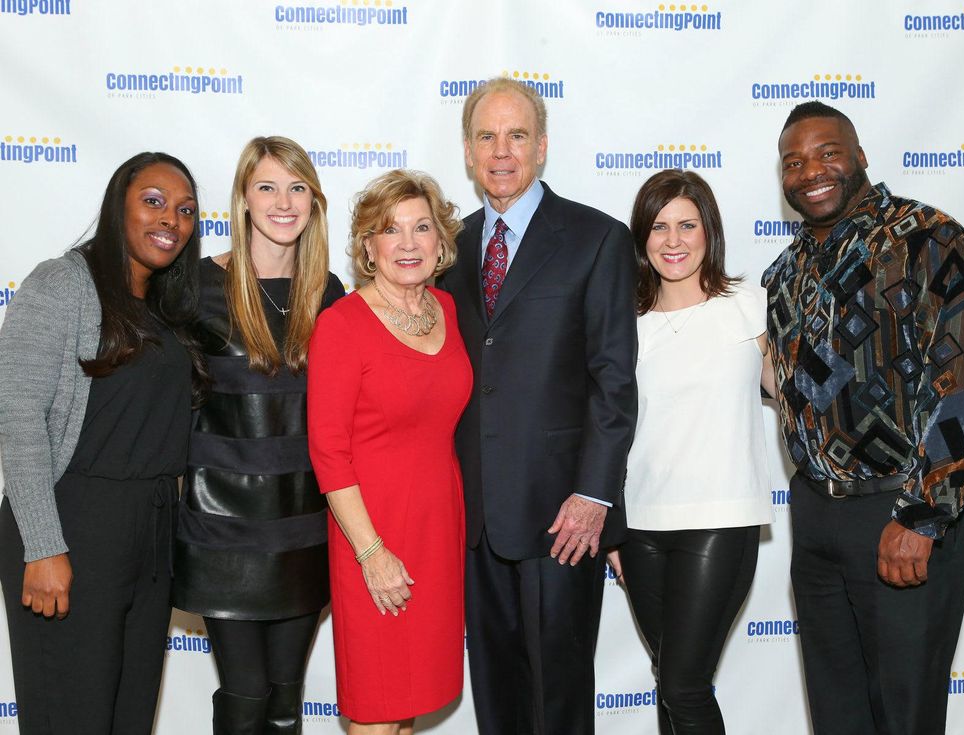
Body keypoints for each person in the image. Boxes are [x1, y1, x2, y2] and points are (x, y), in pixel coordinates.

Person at [763, 101, 964, 735]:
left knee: (904, 712)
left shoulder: (930, 240)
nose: (811, 171)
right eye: (794, 161)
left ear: (860, 156)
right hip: (816, 517)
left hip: (903, 511)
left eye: (828, 152)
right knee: (837, 713)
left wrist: (923, 514)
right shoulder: (784, 274)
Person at [438, 77, 637, 735]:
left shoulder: (597, 239)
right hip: (472, 519)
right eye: (486, 136)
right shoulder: (445, 249)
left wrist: (594, 495)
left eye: (516, 134)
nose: (502, 151)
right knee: (497, 699)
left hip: (563, 519)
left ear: (542, 145)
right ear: (467, 152)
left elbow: (614, 381)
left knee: (559, 700)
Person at [0, 152, 207, 734]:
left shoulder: (164, 308)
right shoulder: (62, 283)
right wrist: (42, 546)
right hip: (74, 524)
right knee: (73, 716)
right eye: (154, 201)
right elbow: (19, 416)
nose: (171, 218)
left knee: (128, 719)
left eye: (186, 209)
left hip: (151, 532)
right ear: (119, 205)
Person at [172, 136, 345, 734]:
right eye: (267, 186)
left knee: (285, 700)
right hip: (223, 526)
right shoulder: (194, 286)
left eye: (297, 188)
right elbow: (161, 401)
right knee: (244, 695)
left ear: (314, 202)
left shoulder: (329, 292)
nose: (283, 202)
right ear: (244, 198)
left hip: (302, 524)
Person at [307, 169, 470, 735]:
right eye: (390, 230)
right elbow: (327, 452)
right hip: (371, 533)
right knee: (377, 710)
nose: (407, 243)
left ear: (440, 240)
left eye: (421, 227)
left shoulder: (449, 311)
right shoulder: (342, 325)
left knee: (411, 705)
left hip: (438, 530)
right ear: (368, 247)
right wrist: (372, 553)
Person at [611, 169, 774, 735]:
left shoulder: (749, 305)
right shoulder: (623, 324)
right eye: (658, 227)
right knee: (669, 680)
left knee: (685, 684)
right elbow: (608, 427)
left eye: (687, 224)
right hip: (639, 525)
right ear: (641, 237)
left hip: (721, 519)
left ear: (710, 231)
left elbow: (803, 402)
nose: (673, 240)